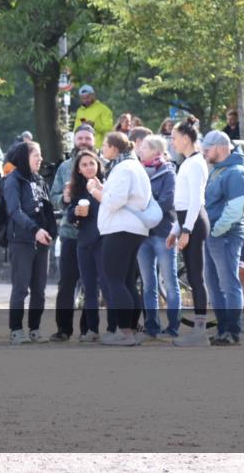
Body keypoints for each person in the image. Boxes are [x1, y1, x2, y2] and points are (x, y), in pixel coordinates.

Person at [90, 131, 150, 346]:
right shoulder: (135, 166)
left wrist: (95, 192)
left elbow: (115, 201)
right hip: (133, 229)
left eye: (105, 144)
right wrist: (103, 188)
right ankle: (131, 330)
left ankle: (125, 332)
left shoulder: (123, 168)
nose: (102, 148)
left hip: (120, 229)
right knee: (126, 282)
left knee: (115, 280)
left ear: (114, 148)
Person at [201, 130, 244, 346]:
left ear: (221, 148)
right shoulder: (218, 170)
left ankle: (232, 331)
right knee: (213, 283)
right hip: (213, 235)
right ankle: (222, 330)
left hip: (225, 235)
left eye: (207, 149)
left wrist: (216, 230)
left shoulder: (236, 172)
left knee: (229, 283)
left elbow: (238, 207)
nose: (204, 153)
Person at [4, 140, 56, 344]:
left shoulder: (39, 180)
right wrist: (35, 229)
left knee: (39, 290)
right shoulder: (13, 180)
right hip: (22, 241)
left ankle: (35, 328)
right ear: (25, 157)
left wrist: (51, 230)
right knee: (20, 287)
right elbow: (13, 211)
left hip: (42, 241)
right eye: (36, 155)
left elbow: (46, 208)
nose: (40, 158)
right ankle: (16, 329)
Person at [49, 125, 97, 342]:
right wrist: (65, 198)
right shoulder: (65, 167)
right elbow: (54, 196)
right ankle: (63, 329)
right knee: (67, 283)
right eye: (80, 138)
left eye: (87, 138)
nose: (84, 141)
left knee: (91, 284)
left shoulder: (101, 167)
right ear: (74, 141)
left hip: (95, 236)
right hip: (70, 234)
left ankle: (89, 329)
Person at [167, 116, 212, 347]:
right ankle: (199, 330)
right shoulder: (188, 162)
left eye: (174, 138)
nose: (172, 142)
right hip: (187, 222)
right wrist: (176, 229)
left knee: (196, 277)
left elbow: (195, 201)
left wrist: (185, 230)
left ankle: (200, 332)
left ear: (186, 138)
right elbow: (183, 202)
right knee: (194, 277)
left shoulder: (195, 163)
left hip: (193, 223)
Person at [135, 135, 180, 340]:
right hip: (143, 234)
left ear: (155, 151)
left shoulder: (169, 173)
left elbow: (166, 201)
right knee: (148, 284)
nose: (140, 149)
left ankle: (173, 327)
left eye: (144, 147)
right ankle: (151, 326)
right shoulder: (136, 171)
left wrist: (144, 214)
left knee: (170, 282)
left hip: (163, 234)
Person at [67, 149, 108, 341]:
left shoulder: (106, 185)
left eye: (92, 163)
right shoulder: (76, 189)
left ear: (98, 165)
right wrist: (75, 212)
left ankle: (115, 328)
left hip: (103, 243)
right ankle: (92, 330)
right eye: (84, 165)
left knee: (108, 287)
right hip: (83, 244)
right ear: (79, 170)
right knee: (89, 289)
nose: (89, 167)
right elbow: (70, 217)